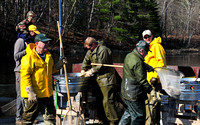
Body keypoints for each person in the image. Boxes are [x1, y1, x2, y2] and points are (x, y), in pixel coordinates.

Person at [20, 33, 66, 125]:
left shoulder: (48, 56)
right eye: (44, 42)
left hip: (47, 93)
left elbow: (50, 70)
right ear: (37, 43)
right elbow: (25, 76)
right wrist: (30, 92)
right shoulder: (28, 57)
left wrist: (58, 65)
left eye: (48, 42)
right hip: (33, 95)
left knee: (50, 119)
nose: (47, 43)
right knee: (28, 120)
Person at [80, 37, 119, 125]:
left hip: (107, 80)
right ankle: (102, 121)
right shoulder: (90, 50)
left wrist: (91, 71)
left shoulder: (103, 50)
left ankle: (113, 121)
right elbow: (86, 60)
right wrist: (83, 69)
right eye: (87, 48)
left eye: (89, 47)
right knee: (99, 101)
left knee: (108, 102)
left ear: (94, 44)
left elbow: (101, 65)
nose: (88, 49)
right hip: (98, 80)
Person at [119, 40, 153, 125]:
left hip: (126, 92)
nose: (147, 54)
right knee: (139, 116)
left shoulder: (129, 55)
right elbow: (141, 80)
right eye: (146, 52)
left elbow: (137, 64)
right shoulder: (138, 62)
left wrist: (147, 66)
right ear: (141, 51)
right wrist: (150, 89)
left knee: (129, 113)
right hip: (134, 94)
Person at [14, 25, 40, 124]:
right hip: (19, 71)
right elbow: (16, 56)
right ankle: (18, 118)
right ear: (29, 32)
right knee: (20, 95)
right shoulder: (20, 41)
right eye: (34, 32)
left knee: (28, 94)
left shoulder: (30, 41)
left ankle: (27, 117)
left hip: (28, 71)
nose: (34, 35)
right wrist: (27, 51)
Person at [142, 29, 167, 125]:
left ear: (152, 36)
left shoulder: (156, 46)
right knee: (149, 106)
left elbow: (162, 63)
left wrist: (155, 77)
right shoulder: (147, 48)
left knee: (153, 105)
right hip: (147, 81)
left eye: (148, 36)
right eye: (145, 37)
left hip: (154, 81)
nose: (147, 38)